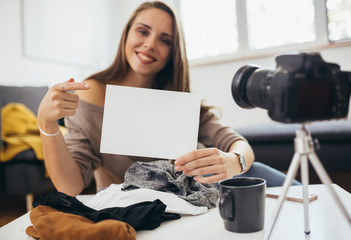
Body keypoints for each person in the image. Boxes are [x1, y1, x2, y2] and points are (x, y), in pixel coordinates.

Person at [38, 1, 296, 197]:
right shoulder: (92, 93)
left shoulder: (180, 100)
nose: (150, 44)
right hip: (138, 211)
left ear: (173, 53)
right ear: (127, 34)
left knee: (309, 198)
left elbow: (239, 144)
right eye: (142, 31)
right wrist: (46, 125)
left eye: (164, 40)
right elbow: (69, 186)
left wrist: (234, 161)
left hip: (203, 198)